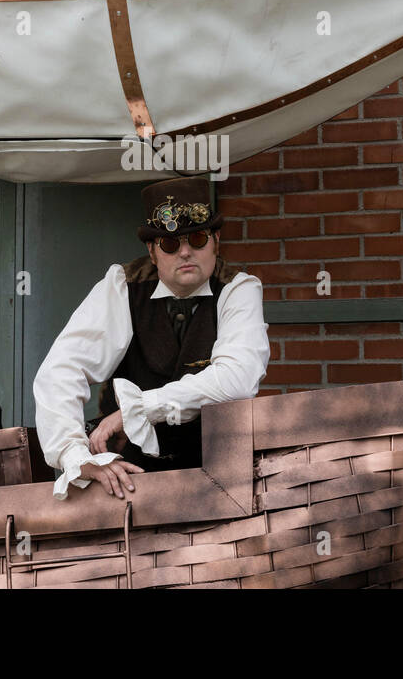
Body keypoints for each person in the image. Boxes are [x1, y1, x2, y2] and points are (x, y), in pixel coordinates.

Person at [32, 176, 270, 500]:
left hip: (220, 478)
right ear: (153, 251)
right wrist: (76, 456)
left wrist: (139, 408)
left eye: (197, 238)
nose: (185, 252)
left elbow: (237, 379)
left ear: (215, 240)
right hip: (132, 479)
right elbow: (60, 371)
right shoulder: (122, 286)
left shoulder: (238, 289)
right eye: (170, 244)